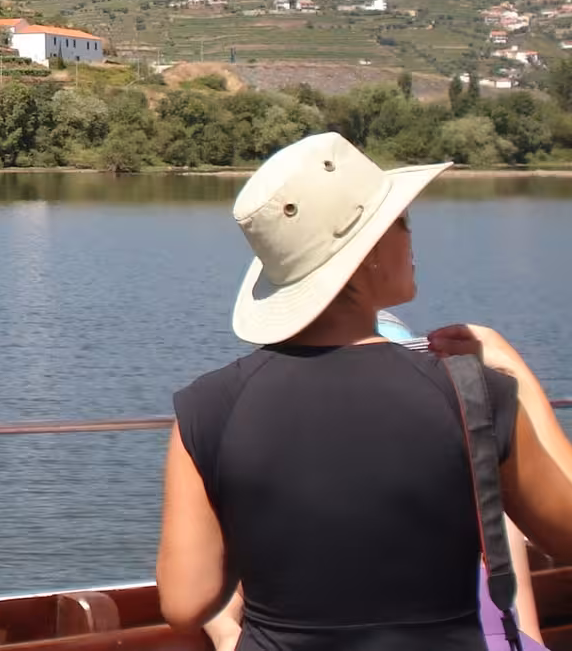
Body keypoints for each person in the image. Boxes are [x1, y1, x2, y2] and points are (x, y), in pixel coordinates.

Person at [156, 132, 572, 650]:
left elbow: (183, 601)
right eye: (401, 222)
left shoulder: (208, 406)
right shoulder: (469, 393)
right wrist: (515, 374)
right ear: (370, 252)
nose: (413, 237)